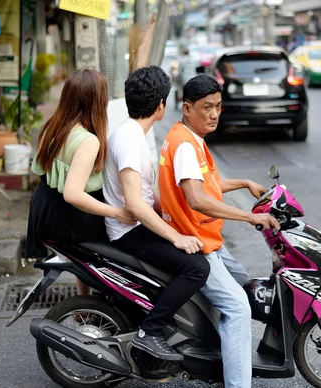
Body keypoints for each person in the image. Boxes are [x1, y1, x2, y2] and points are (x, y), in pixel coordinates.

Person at [158, 74, 280, 388]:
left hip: (209, 240)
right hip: (196, 242)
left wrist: (244, 183)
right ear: (186, 108)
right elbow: (197, 199)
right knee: (238, 307)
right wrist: (248, 217)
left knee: (242, 281)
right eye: (206, 107)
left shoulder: (188, 137)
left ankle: (216, 348)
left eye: (218, 107)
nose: (214, 114)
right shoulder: (186, 146)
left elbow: (205, 185)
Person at [103, 66, 210, 361]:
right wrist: (176, 236)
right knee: (197, 268)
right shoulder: (128, 139)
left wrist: (179, 216)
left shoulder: (135, 134)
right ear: (161, 105)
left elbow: (150, 197)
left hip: (137, 225)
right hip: (128, 232)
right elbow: (136, 204)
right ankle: (149, 332)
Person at [26, 69, 136, 296]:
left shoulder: (54, 125)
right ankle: (109, 300)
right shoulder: (88, 140)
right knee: (120, 238)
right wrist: (116, 212)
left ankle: (84, 301)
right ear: (98, 101)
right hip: (64, 216)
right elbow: (73, 194)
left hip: (44, 209)